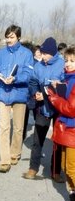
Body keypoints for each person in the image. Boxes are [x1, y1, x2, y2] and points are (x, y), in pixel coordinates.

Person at [0, 25, 33, 173]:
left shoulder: (27, 54)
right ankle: (4, 160)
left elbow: (29, 74)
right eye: (7, 37)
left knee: (18, 128)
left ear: (18, 37)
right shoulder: (0, 53)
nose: (9, 40)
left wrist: (15, 79)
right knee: (3, 127)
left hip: (19, 93)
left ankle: (15, 153)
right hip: (2, 92)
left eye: (12, 37)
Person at [23, 37, 65, 181]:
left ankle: (55, 171)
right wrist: (36, 93)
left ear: (53, 53)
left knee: (57, 141)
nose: (43, 57)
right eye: (42, 53)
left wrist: (49, 94)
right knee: (38, 138)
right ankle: (33, 168)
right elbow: (33, 82)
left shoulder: (62, 64)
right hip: (42, 107)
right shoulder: (39, 65)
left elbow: (64, 87)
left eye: (46, 54)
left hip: (59, 107)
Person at [47, 47, 75, 201]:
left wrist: (54, 97)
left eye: (72, 61)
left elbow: (71, 108)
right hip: (66, 129)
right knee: (65, 166)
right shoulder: (68, 78)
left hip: (72, 130)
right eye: (67, 60)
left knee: (72, 168)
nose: (68, 64)